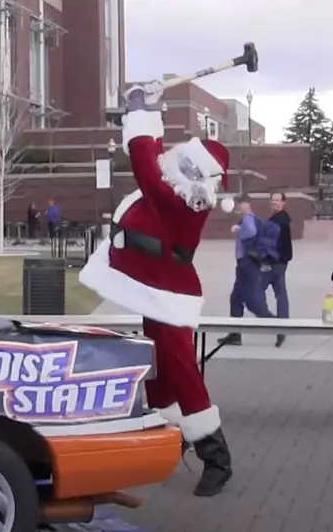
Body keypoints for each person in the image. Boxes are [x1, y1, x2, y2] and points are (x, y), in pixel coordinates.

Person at [78, 85, 235, 497]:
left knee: (181, 370)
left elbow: (148, 167)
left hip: (170, 296)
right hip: (156, 291)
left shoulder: (182, 202)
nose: (176, 161)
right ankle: (169, 438)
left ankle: (216, 456)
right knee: (161, 370)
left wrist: (138, 118)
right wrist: (149, 111)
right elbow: (159, 161)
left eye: (185, 160)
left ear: (195, 172)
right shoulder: (180, 189)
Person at [220, 195, 276, 347]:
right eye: (237, 204)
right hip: (245, 264)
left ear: (247, 204)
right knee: (236, 299)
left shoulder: (248, 219)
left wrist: (238, 230)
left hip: (247, 264)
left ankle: (278, 325)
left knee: (252, 303)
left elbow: (250, 232)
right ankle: (234, 335)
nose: (238, 207)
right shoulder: (247, 219)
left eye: (240, 204)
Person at [266, 192, 293, 347]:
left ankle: (275, 324)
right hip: (280, 261)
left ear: (283, 203)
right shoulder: (280, 219)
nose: (275, 202)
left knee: (253, 293)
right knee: (281, 293)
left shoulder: (279, 220)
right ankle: (283, 325)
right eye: (273, 200)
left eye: (278, 200)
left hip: (274, 262)